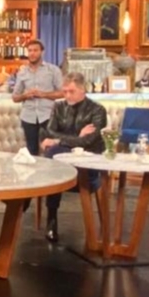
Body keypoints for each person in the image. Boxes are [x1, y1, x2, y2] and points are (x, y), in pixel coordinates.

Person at [39, 73, 108, 243]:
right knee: (54, 161)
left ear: (83, 90)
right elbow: (50, 132)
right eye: (65, 91)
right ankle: (52, 219)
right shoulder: (58, 107)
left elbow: (87, 141)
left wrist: (60, 140)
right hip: (63, 161)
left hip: (87, 162)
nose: (67, 95)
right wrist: (77, 136)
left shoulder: (97, 110)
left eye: (71, 91)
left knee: (53, 158)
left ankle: (33, 203)